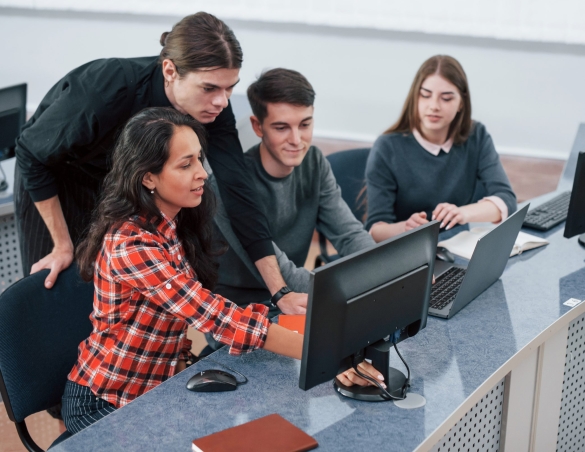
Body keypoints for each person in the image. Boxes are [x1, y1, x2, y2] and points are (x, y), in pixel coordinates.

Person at [61, 108, 383, 434]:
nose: (202, 173)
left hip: (160, 385)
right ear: (148, 177)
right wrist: (330, 354)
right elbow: (215, 316)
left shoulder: (174, 221)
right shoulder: (132, 246)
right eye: (185, 165)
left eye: (199, 159)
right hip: (108, 399)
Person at [14, 11, 305, 317]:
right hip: (54, 178)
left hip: (119, 186)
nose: (222, 100)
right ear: (169, 70)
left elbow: (239, 194)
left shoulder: (213, 109)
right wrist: (62, 244)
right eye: (209, 88)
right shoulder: (108, 88)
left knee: (117, 301)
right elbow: (31, 153)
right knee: (57, 296)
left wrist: (280, 291)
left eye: (229, 87)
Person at [205, 68, 375, 316]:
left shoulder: (314, 162)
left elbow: (349, 235)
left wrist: (385, 270)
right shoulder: (227, 184)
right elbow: (281, 271)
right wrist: (359, 285)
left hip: (293, 296)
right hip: (239, 308)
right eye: (282, 127)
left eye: (305, 125)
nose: (297, 140)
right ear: (258, 126)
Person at [365, 55, 517, 242]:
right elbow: (374, 231)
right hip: (405, 250)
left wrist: (462, 214)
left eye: (446, 98)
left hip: (457, 246)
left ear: (461, 103)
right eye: (425, 95)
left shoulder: (476, 135)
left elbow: (507, 201)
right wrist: (406, 227)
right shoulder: (387, 147)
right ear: (415, 98)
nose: (434, 106)